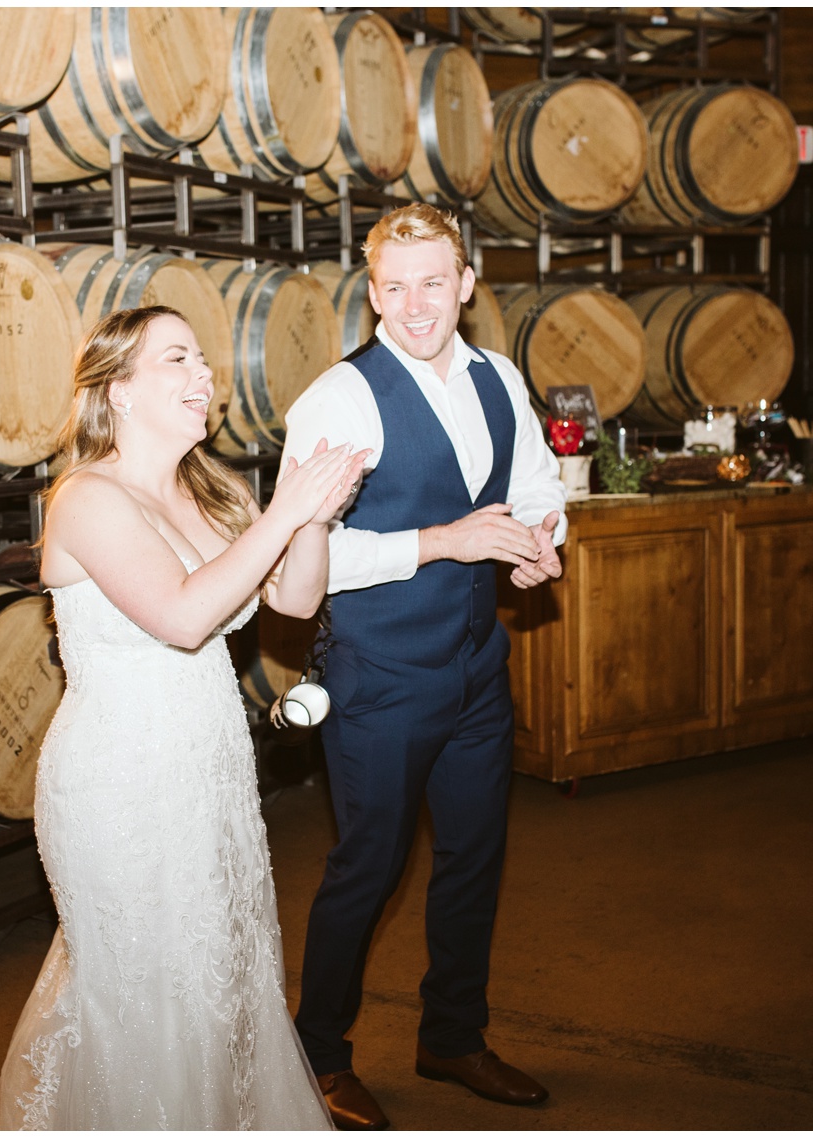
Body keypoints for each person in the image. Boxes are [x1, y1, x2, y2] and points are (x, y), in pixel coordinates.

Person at [0, 306, 364, 1130]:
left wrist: (317, 513)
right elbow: (186, 618)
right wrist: (282, 511)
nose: (205, 377)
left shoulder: (207, 488)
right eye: (178, 359)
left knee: (221, 975)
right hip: (119, 779)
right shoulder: (87, 498)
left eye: (204, 361)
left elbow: (293, 600)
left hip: (209, 766)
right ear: (118, 390)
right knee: (142, 989)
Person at [280, 203, 567, 1130]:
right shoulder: (339, 401)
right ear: (371, 293)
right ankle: (319, 1057)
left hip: (480, 661)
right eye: (394, 287)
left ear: (467, 285)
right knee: (368, 866)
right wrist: (445, 541)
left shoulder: (498, 376)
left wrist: (536, 542)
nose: (415, 305)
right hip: (381, 672)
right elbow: (304, 563)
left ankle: (452, 1036)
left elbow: (531, 489)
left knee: (477, 856)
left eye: (433, 282)